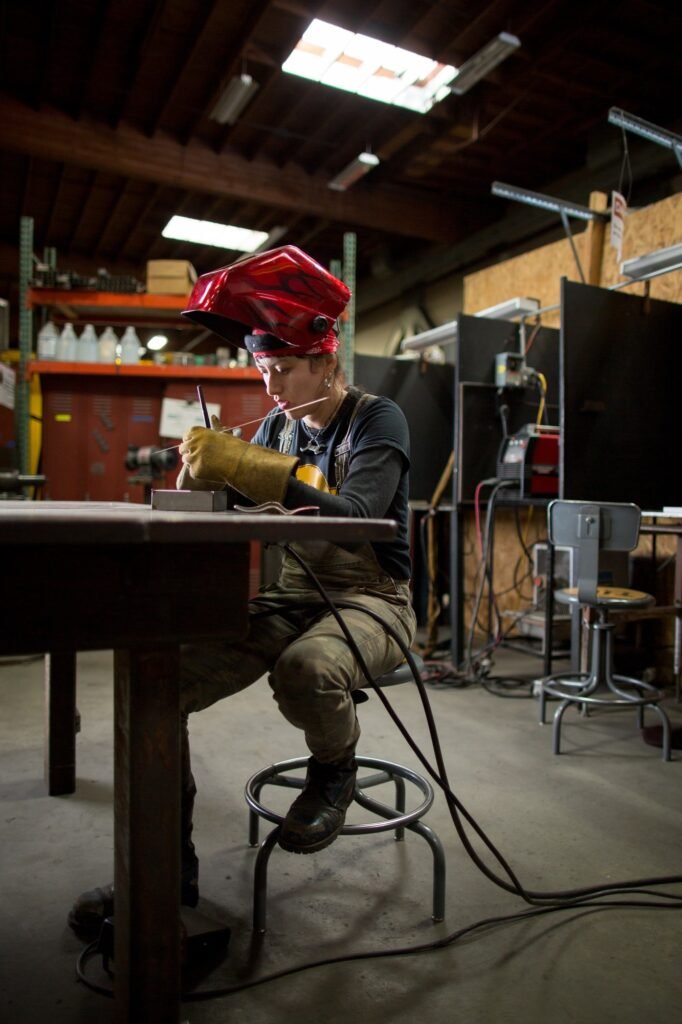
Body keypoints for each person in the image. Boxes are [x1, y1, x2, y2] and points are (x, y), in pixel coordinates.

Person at [68, 245, 416, 935]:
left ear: (325, 358)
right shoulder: (280, 427)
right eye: (263, 369)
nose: (272, 384)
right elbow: (228, 507)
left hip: (372, 596)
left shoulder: (377, 420)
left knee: (308, 668)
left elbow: (355, 521)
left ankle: (334, 771)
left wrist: (259, 471)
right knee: (161, 678)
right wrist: (200, 482)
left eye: (283, 368)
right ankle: (169, 872)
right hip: (296, 594)